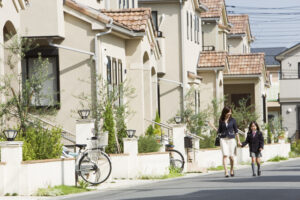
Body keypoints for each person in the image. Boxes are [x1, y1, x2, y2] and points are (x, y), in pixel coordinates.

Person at [217, 106, 242, 178]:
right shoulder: (221, 120)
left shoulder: (233, 120)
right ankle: (226, 172)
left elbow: (236, 131)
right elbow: (219, 130)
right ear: (224, 112)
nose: (229, 113)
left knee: (231, 157)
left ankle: (231, 169)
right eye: (228, 112)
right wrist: (218, 132)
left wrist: (239, 141)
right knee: (225, 155)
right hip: (223, 139)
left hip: (231, 139)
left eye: (230, 112)